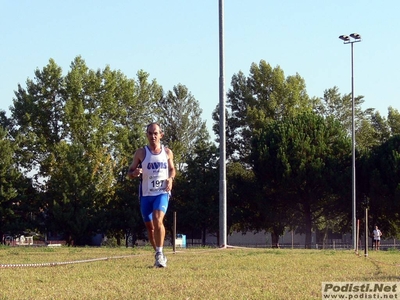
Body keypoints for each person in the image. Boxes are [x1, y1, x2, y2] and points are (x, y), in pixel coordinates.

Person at [127, 123, 176, 268]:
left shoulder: (167, 152)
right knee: (150, 227)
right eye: (150, 133)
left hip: (162, 192)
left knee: (157, 219)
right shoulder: (141, 153)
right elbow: (129, 172)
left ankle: (160, 254)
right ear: (147, 135)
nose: (153, 136)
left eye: (155, 133)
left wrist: (170, 179)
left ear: (161, 134)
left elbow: (172, 170)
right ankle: (159, 254)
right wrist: (134, 173)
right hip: (146, 195)